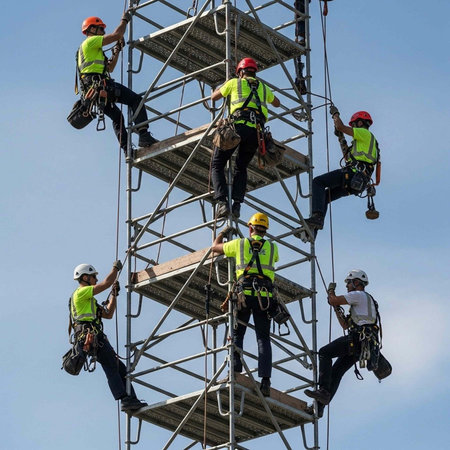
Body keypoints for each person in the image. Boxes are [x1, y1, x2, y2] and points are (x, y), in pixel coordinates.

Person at [211, 212, 279, 396]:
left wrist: (223, 233)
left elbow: (214, 248)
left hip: (243, 295)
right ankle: (265, 382)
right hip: (264, 298)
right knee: (263, 338)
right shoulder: (273, 248)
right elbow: (274, 261)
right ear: (265, 230)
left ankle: (235, 372)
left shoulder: (239, 244)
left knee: (236, 333)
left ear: (250, 228)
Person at [71, 261, 147, 411]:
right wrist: (115, 269)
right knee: (111, 367)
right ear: (85, 277)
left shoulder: (89, 301)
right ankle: (125, 400)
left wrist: (113, 295)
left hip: (96, 337)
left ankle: (131, 399)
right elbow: (106, 283)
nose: (96, 280)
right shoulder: (81, 293)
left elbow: (108, 314)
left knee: (120, 368)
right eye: (93, 277)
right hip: (92, 337)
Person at [211, 58, 280, 219]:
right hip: (256, 132)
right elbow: (277, 103)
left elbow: (214, 97)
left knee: (217, 164)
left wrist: (224, 84)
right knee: (241, 167)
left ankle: (222, 203)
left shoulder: (234, 82)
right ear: (254, 72)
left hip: (238, 127)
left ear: (241, 72)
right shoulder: (263, 87)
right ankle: (236, 206)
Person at [304, 269, 379, 417]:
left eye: (349, 283)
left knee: (324, 352)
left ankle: (324, 391)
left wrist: (331, 292)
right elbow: (345, 325)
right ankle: (320, 408)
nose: (347, 286)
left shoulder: (359, 295)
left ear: (356, 282)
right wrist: (336, 308)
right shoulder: (364, 302)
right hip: (362, 345)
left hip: (358, 339)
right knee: (337, 371)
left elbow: (334, 299)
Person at [77, 14, 157, 152]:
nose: (103, 32)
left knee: (117, 117)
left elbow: (110, 68)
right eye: (100, 29)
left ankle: (127, 149)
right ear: (91, 30)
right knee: (135, 100)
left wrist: (117, 50)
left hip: (95, 91)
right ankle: (144, 135)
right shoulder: (90, 42)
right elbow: (117, 34)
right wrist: (124, 20)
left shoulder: (92, 50)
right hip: (101, 86)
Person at [304, 107, 379, 234]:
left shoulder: (364, 133)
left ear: (360, 123)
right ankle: (313, 229)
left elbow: (340, 126)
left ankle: (317, 218)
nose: (354, 127)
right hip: (356, 183)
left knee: (318, 182)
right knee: (325, 197)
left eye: (355, 124)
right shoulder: (365, 144)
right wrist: (340, 138)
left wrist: (335, 115)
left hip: (353, 175)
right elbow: (348, 158)